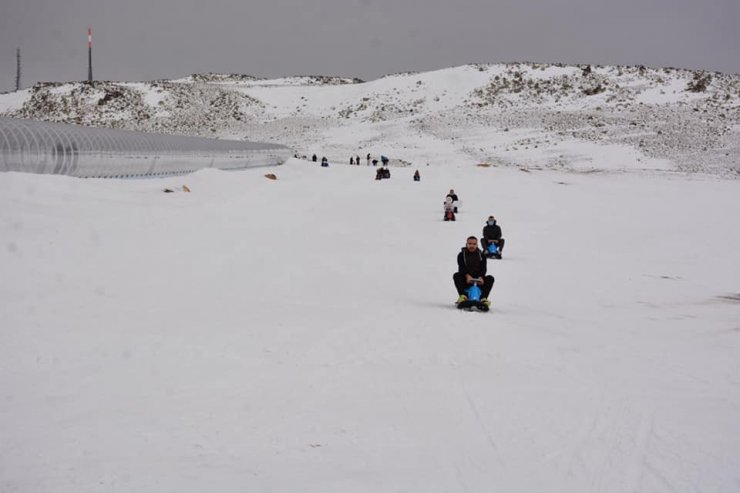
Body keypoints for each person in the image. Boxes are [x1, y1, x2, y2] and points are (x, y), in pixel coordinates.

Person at [453, 236, 494, 307]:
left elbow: (483, 268)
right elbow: (462, 267)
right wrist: (467, 276)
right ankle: (463, 297)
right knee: (456, 275)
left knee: (490, 278)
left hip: (479, 280)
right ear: (466, 244)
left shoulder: (482, 255)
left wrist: (481, 277)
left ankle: (483, 298)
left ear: (477, 245)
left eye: (474, 244)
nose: (472, 245)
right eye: (470, 243)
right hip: (466, 280)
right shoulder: (461, 255)